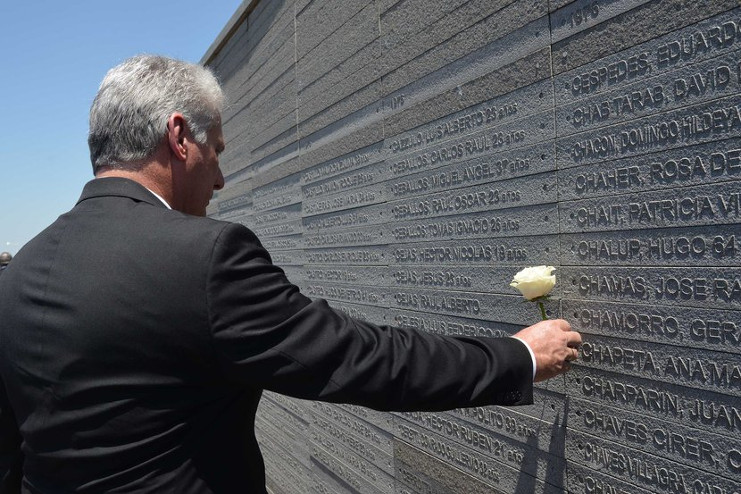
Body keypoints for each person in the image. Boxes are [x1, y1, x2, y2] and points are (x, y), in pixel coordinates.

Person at [0, 55, 581, 493]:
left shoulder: (21, 271)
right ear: (178, 137)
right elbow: (360, 358)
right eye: (217, 151)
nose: (221, 179)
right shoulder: (203, 258)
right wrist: (515, 358)